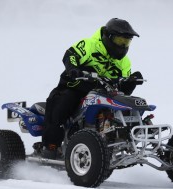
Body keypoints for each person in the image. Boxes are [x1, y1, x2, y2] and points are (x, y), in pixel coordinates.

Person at [41, 18, 144, 159]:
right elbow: (70, 55)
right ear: (108, 37)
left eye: (127, 42)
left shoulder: (124, 62)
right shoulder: (89, 44)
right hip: (75, 87)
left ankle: (125, 137)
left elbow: (122, 87)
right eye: (120, 41)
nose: (123, 45)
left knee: (127, 105)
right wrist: (73, 70)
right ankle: (50, 146)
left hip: (104, 93)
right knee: (62, 104)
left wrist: (130, 82)